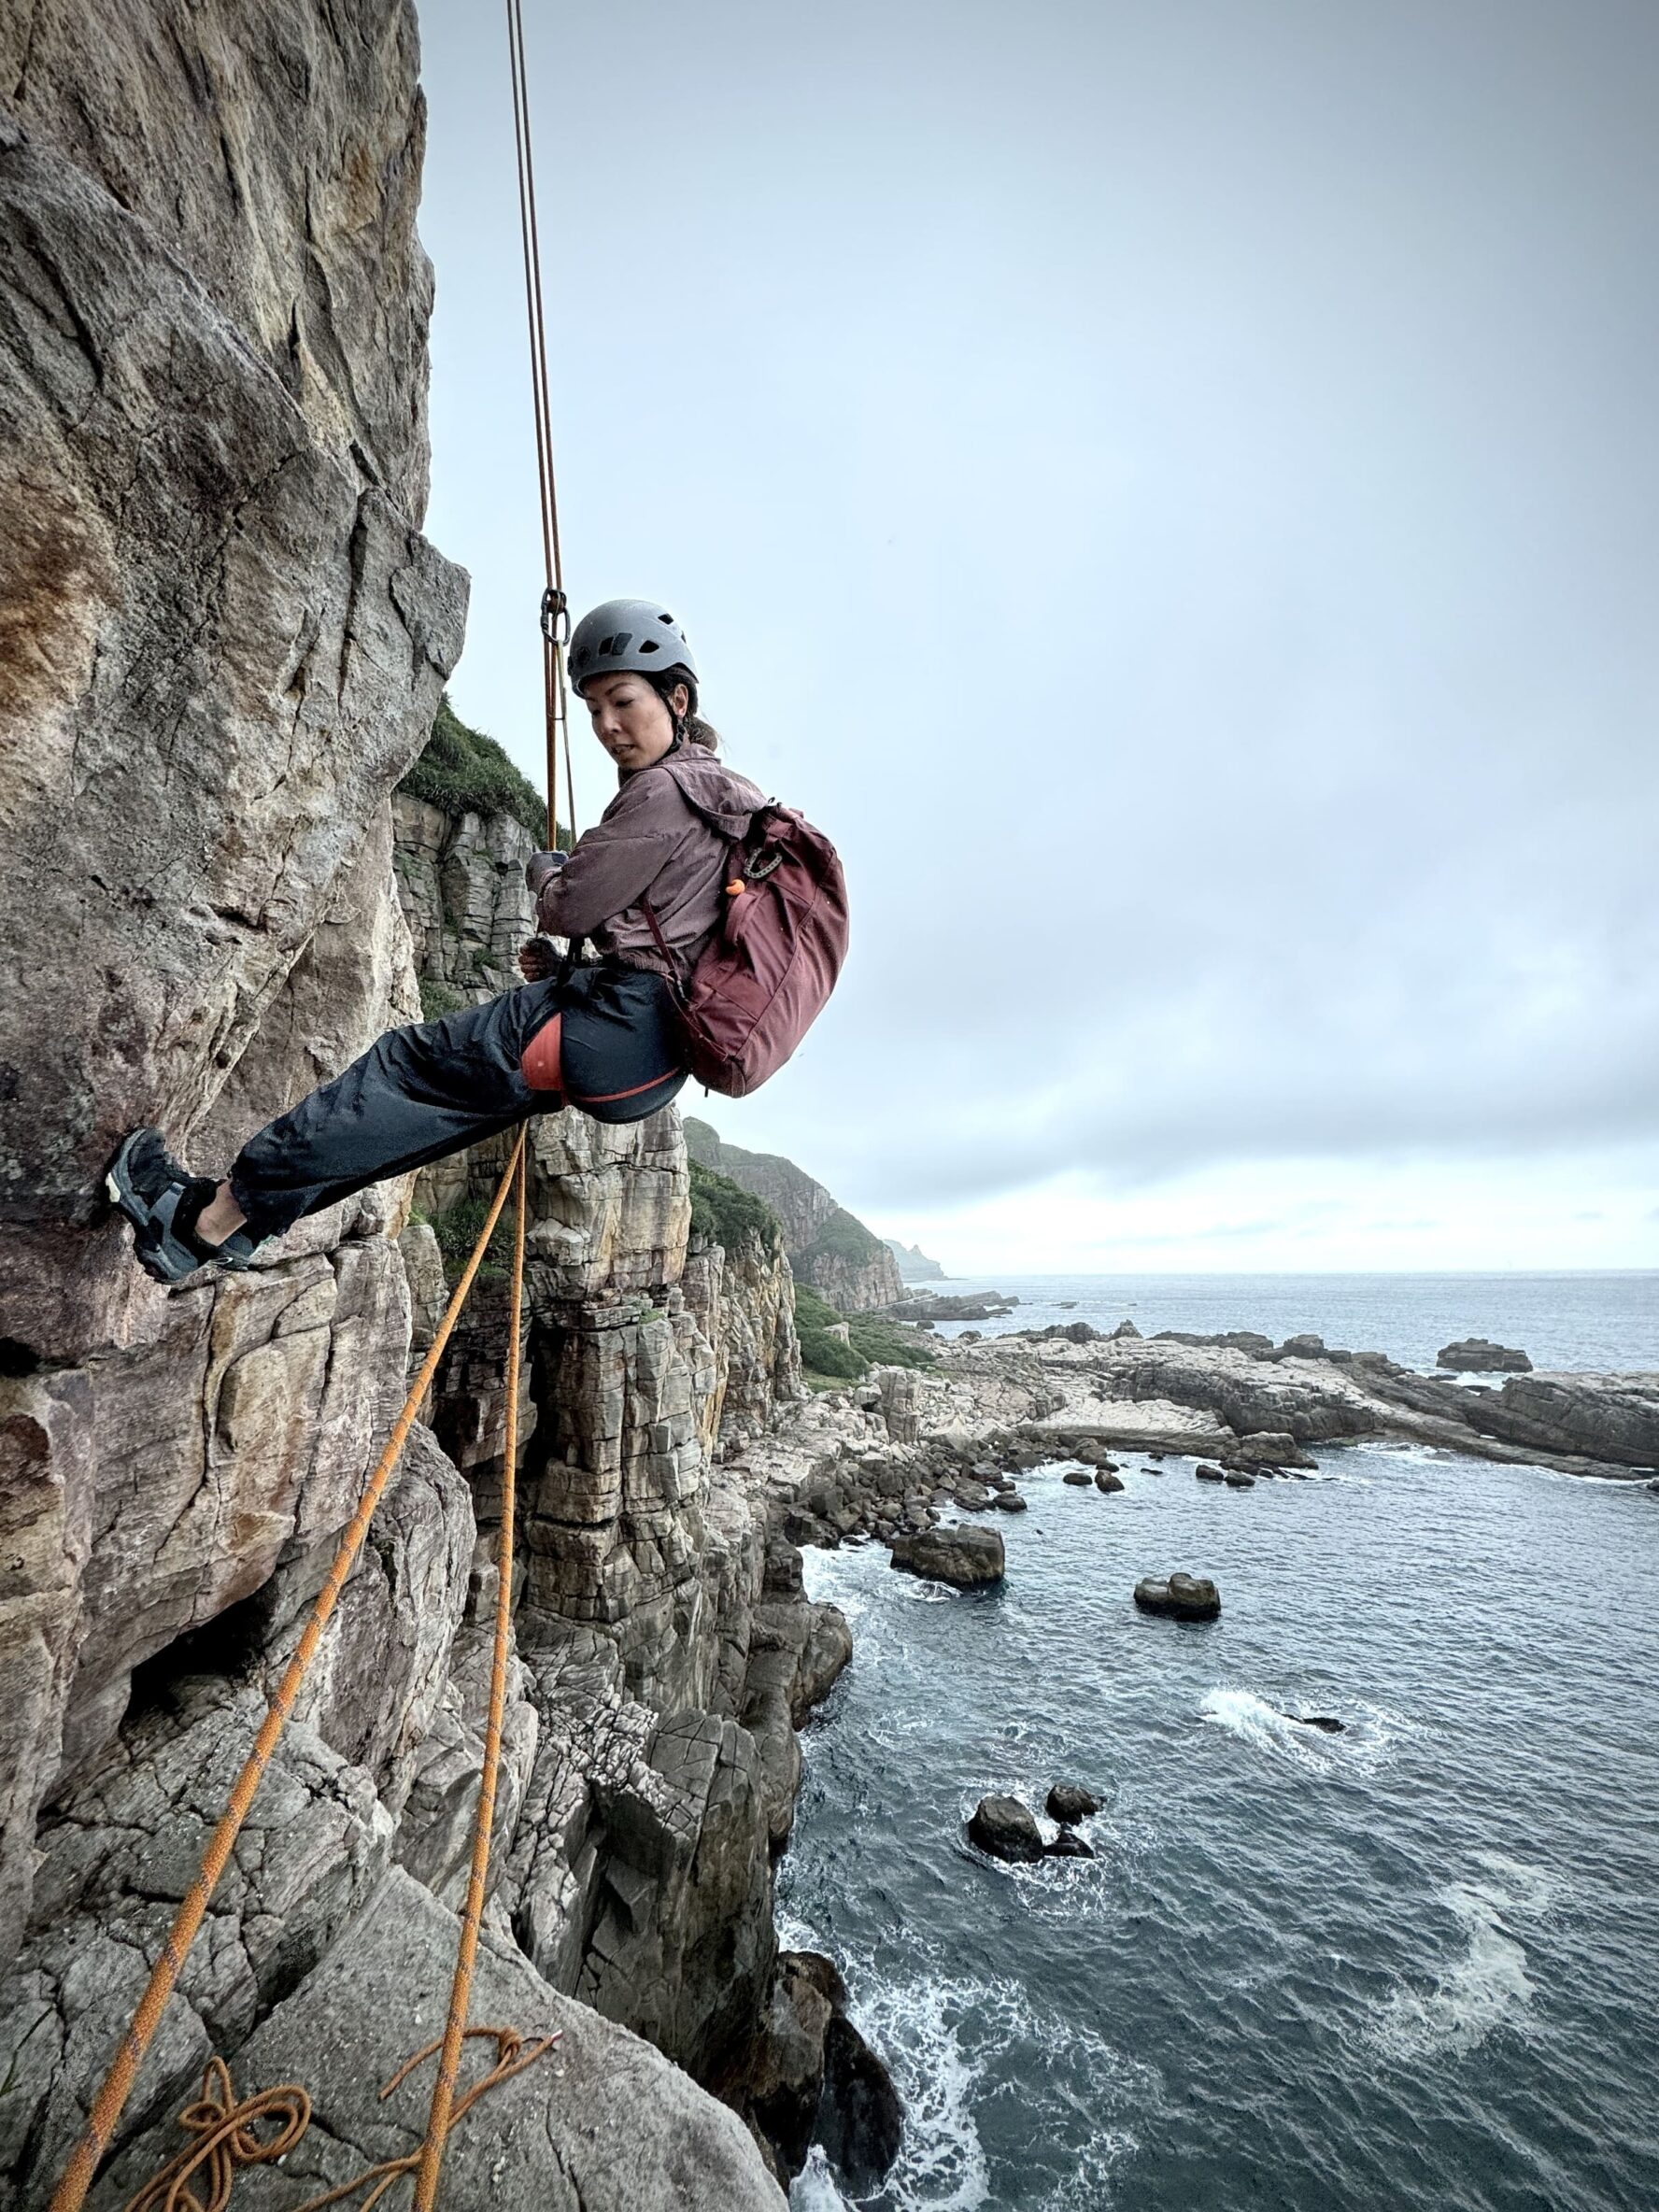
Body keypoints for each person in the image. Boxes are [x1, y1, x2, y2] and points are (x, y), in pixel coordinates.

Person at [107, 599, 767, 1283]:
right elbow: (674, 932)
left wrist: (551, 872)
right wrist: (577, 974)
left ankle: (192, 1224)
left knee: (400, 1068)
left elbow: (568, 907)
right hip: (653, 1059)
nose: (607, 725)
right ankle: (240, 1225)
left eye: (623, 701)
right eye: (595, 708)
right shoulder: (732, 801)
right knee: (420, 1124)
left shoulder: (663, 791)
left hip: (611, 1028)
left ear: (677, 696)